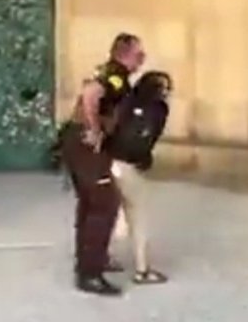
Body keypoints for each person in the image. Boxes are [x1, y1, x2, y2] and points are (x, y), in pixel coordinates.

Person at [61, 32, 145, 296]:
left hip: (75, 141)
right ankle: (90, 274)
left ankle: (90, 260)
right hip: (84, 144)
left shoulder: (110, 71)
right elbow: (90, 94)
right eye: (139, 54)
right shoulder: (115, 74)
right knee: (104, 203)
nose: (142, 60)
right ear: (125, 54)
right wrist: (95, 130)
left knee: (90, 202)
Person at [107, 70, 173, 285]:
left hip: (109, 161)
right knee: (138, 216)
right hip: (129, 166)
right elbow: (145, 139)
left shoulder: (126, 102)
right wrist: (144, 159)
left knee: (106, 211)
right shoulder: (157, 110)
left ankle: (101, 256)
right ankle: (142, 269)